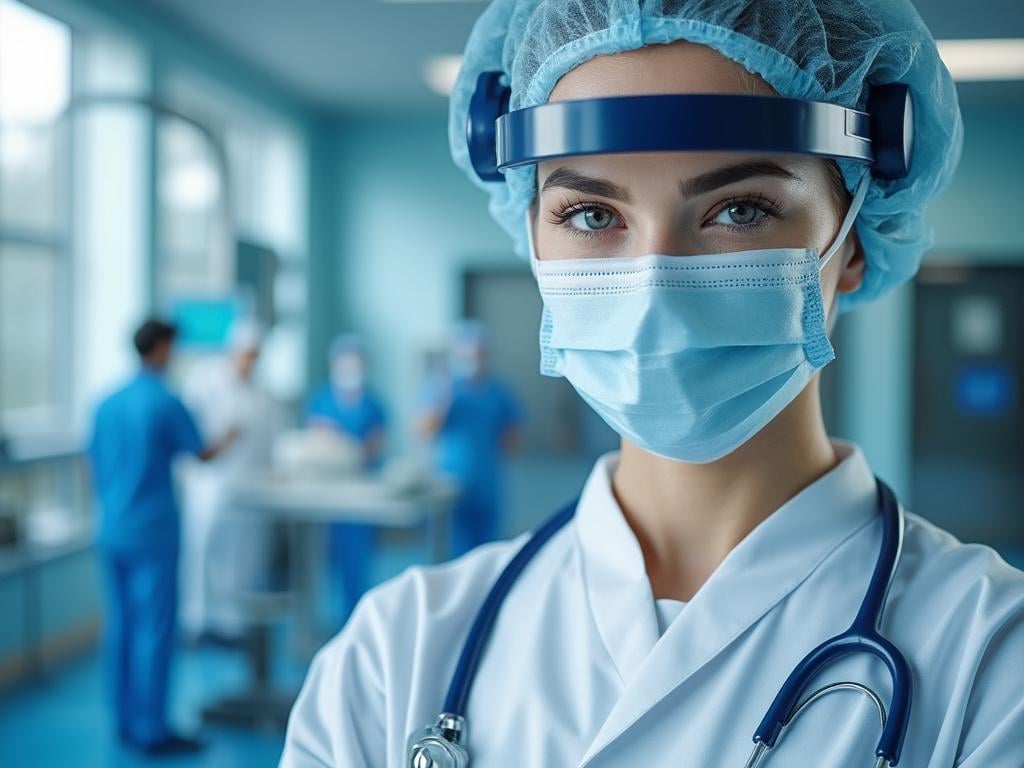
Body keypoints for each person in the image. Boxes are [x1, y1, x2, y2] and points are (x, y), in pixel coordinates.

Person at [280, 2, 1024, 766]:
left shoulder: (995, 664)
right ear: (532, 238)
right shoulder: (390, 659)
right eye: (592, 213)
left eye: (741, 209)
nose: (654, 281)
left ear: (856, 242)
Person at [89, 319, 235, 754]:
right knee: (154, 629)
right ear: (162, 347)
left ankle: (124, 720)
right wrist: (230, 435)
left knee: (121, 626)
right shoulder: (165, 402)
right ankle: (152, 730)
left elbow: (92, 465)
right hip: (151, 532)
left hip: (112, 527)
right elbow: (202, 453)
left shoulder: (105, 403)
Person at [181, 320, 282, 644]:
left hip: (250, 486)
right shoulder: (204, 380)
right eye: (246, 354)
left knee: (242, 556)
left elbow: (271, 442)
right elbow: (188, 432)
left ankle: (232, 624)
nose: (250, 361)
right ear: (233, 351)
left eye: (256, 355)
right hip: (209, 484)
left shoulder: (263, 394)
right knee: (202, 550)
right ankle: (197, 622)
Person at [417, 321, 524, 557]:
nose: (474, 360)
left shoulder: (498, 391)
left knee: (487, 556)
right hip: (450, 485)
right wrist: (443, 400)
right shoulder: (442, 389)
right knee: (453, 554)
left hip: (487, 484)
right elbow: (424, 431)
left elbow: (513, 437)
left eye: (479, 354)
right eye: (468, 354)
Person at [305, 335, 387, 624]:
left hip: (362, 491)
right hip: (325, 490)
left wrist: (349, 451)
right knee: (320, 561)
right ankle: (322, 622)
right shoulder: (322, 399)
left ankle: (354, 619)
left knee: (356, 561)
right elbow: (315, 442)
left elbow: (376, 444)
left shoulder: (373, 403)